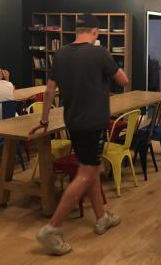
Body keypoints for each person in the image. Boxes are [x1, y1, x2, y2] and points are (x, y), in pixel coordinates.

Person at [30, 14, 129, 255]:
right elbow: (123, 81)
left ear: (77, 31)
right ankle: (52, 228)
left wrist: (44, 120)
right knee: (85, 174)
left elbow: (50, 90)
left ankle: (102, 216)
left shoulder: (60, 54)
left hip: (72, 121)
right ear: (95, 32)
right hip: (94, 123)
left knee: (90, 167)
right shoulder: (99, 53)